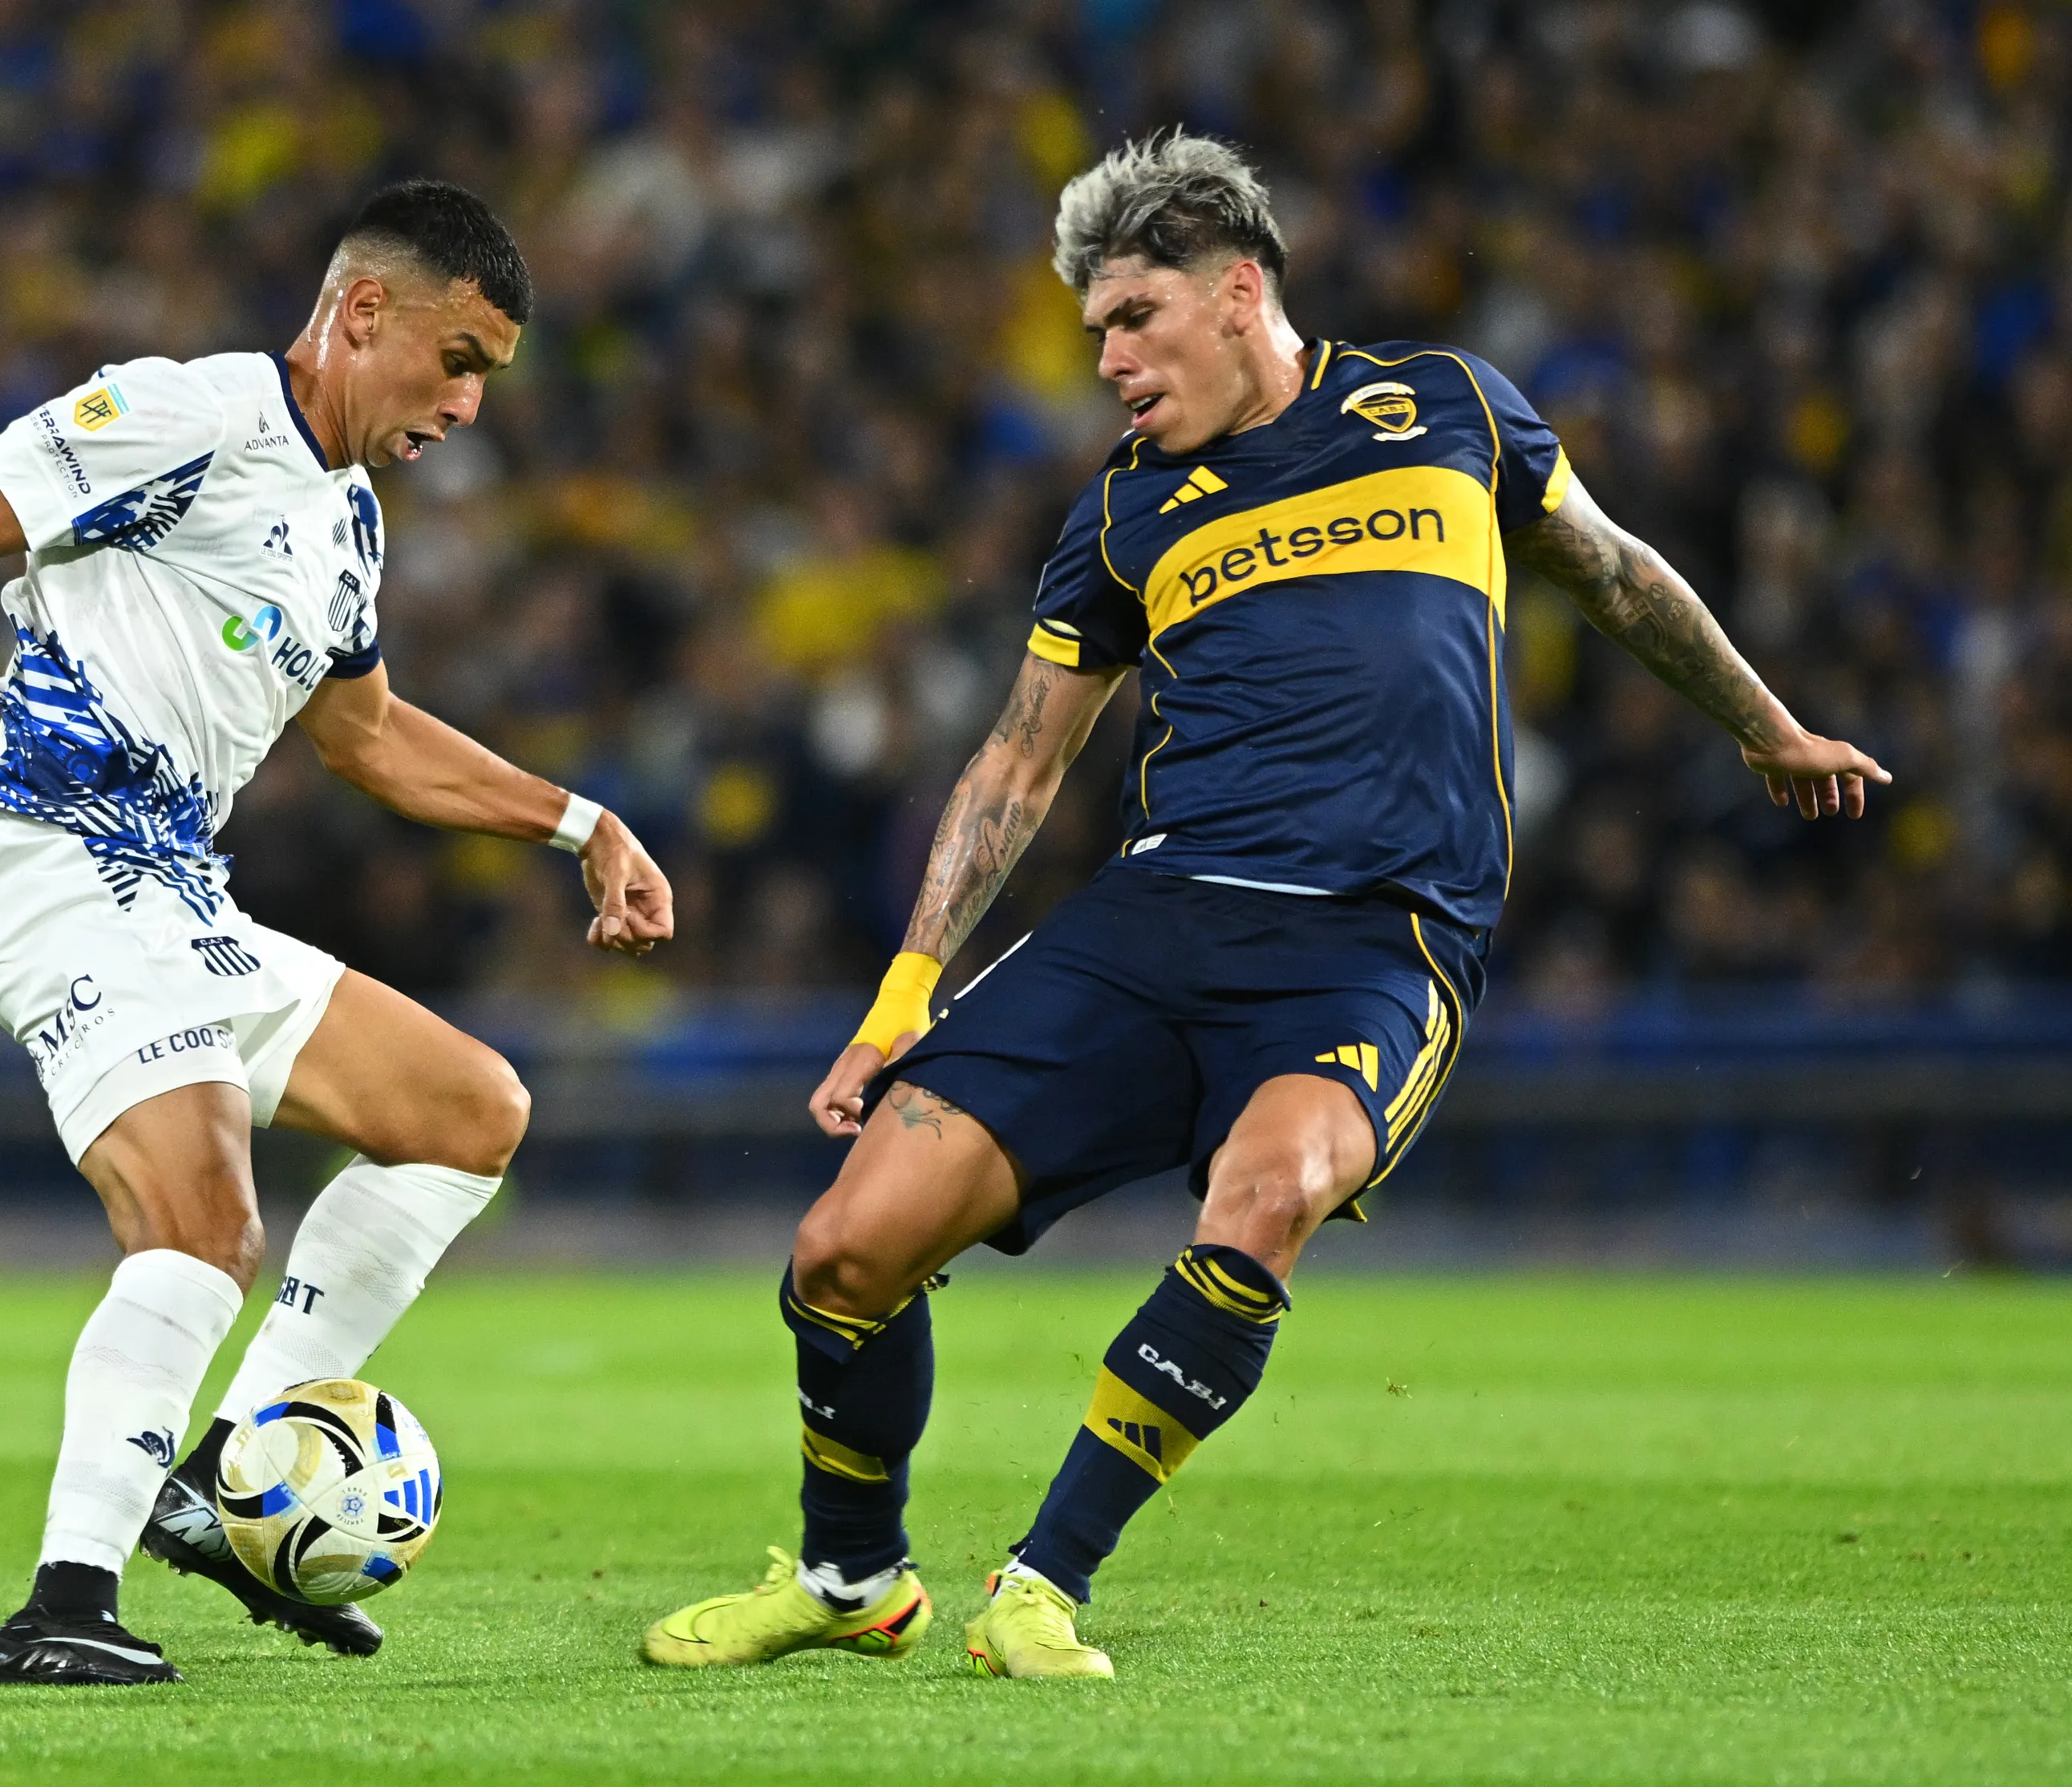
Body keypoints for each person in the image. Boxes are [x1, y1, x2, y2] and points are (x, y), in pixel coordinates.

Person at [641, 129, 1888, 1680]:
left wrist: (1766, 726)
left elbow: (1616, 574)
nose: (1105, 357)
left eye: (1132, 318)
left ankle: (1045, 1578)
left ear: (1239, 294)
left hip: (1379, 938)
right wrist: (903, 995)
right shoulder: (1122, 512)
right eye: (1096, 328)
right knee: (845, 1251)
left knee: (1272, 1189)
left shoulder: (1443, 406)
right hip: (1159, 919)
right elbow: (1021, 768)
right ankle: (850, 1582)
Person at [0, 179, 673, 1685]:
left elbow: (373, 739)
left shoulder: (345, 523)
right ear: (362, 310)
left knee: (469, 1111)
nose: (469, 404)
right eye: (458, 359)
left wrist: (581, 825)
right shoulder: (189, 414)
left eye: (491, 379)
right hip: (51, 853)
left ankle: (222, 1473)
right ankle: (63, 1604)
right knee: (205, 1219)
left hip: (176, 891)